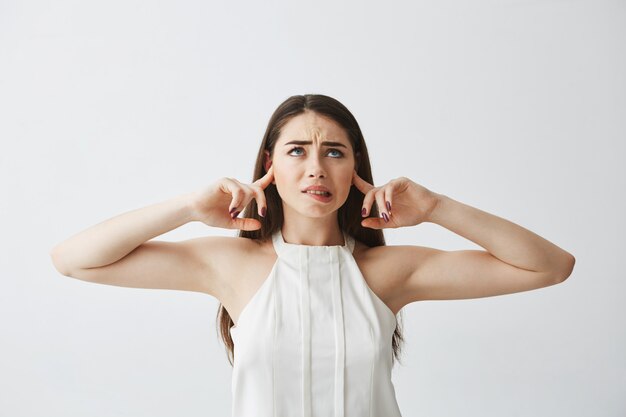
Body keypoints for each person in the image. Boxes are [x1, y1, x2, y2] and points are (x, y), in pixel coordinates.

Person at [50, 94, 576, 416]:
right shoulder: (232, 267)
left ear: (356, 169)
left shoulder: (388, 272)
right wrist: (189, 205)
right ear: (270, 166)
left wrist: (437, 207)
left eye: (334, 152)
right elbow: (75, 259)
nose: (316, 169)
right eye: (297, 151)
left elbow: (551, 266)